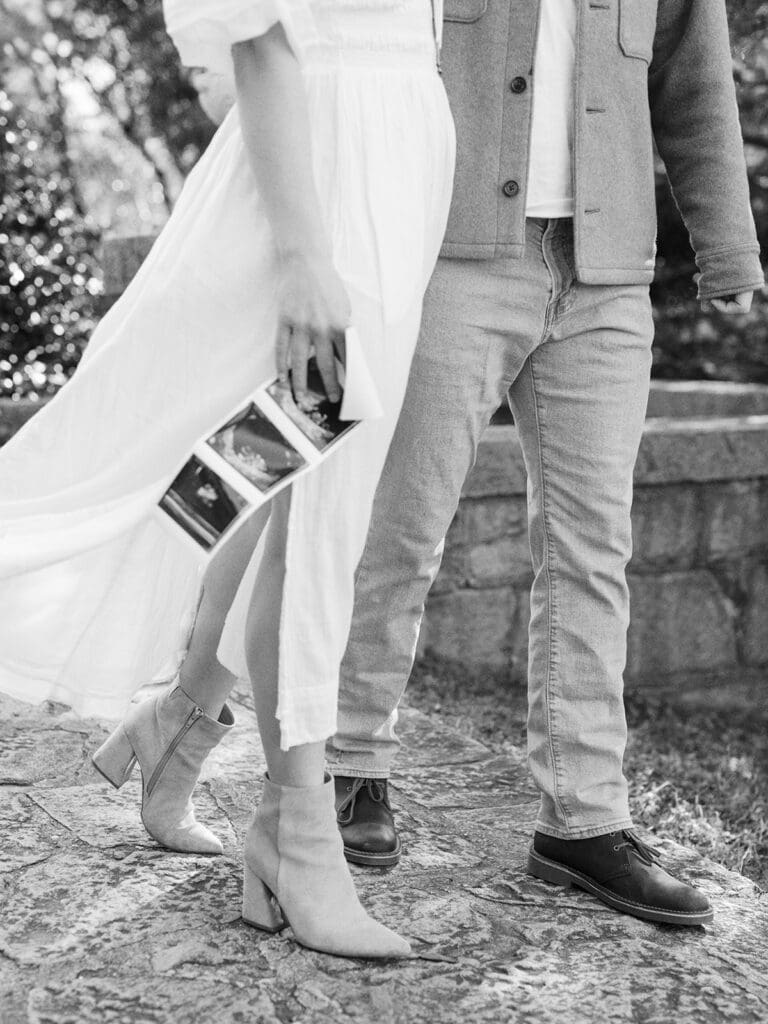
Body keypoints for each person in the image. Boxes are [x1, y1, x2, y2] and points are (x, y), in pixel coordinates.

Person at [0, 0, 455, 959]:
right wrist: (303, 253)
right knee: (311, 510)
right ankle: (296, 834)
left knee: (264, 475)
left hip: (398, 162)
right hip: (326, 179)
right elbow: (256, 36)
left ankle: (178, 724)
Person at [324, 0, 764, 926]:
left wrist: (728, 247)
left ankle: (584, 819)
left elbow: (693, 78)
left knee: (592, 551)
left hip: (607, 271)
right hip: (453, 254)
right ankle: (349, 762)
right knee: (404, 525)